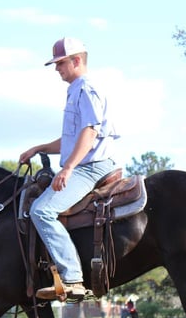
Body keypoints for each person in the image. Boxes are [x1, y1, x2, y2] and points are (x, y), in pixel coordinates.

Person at [19, 37, 120, 300]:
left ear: (76, 60)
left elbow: (90, 130)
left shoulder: (86, 88)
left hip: (91, 168)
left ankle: (73, 277)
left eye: (60, 63)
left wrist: (68, 168)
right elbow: (71, 139)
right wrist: (37, 148)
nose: (56, 69)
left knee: (41, 210)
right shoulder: (76, 89)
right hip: (84, 164)